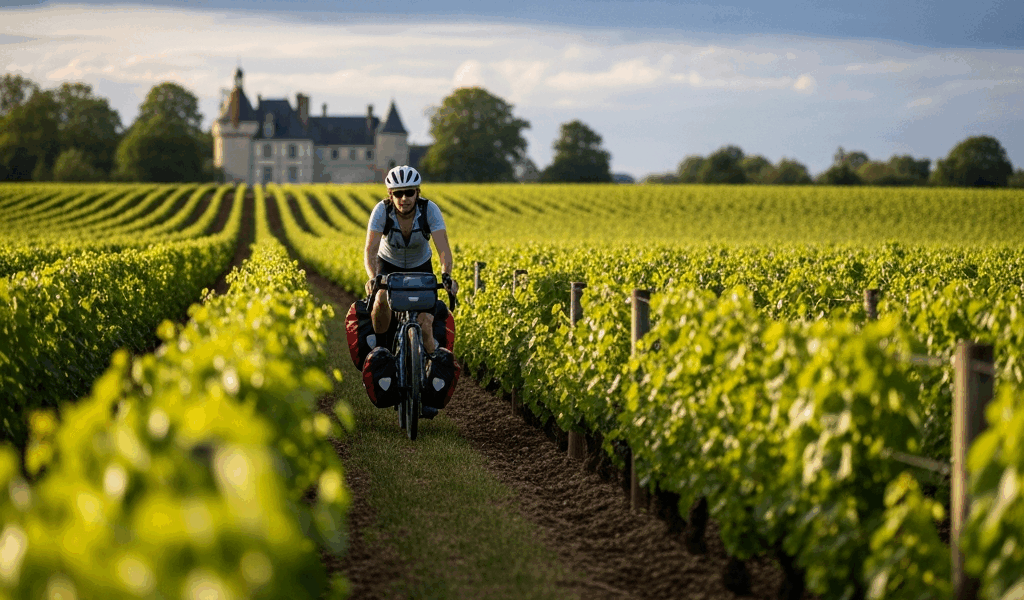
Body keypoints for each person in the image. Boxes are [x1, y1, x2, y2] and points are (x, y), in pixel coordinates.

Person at [363, 165, 458, 359]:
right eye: (398, 193)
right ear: (390, 194)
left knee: (425, 329)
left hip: (421, 266)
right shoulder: (381, 211)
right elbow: (370, 250)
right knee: (380, 301)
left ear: (417, 193)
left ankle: (430, 368)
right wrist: (373, 278)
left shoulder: (429, 210)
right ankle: (382, 350)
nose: (404, 198)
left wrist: (446, 275)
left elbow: (443, 249)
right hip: (388, 264)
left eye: (409, 192)